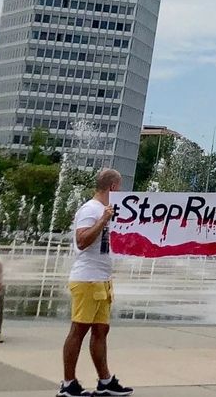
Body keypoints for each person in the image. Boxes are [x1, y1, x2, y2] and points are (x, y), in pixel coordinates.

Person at [60, 168, 133, 397]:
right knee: (78, 330)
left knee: (101, 330)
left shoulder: (106, 210)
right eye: (119, 187)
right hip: (87, 279)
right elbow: (81, 241)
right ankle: (68, 384)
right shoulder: (91, 209)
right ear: (112, 187)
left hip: (102, 280)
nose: (120, 191)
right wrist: (103, 220)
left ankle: (105, 381)